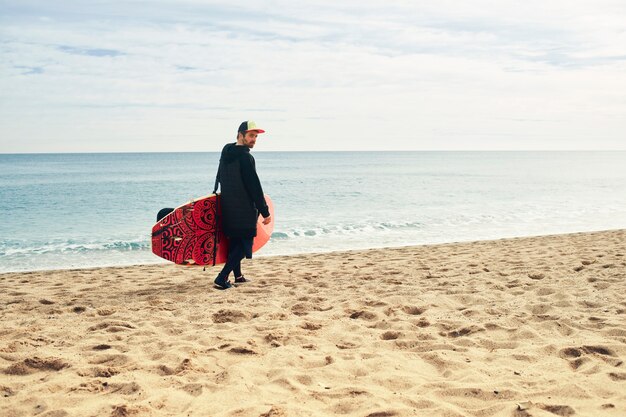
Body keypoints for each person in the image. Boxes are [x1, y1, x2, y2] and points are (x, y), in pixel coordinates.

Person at [213, 120, 271, 289]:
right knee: (245, 244)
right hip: (244, 208)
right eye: (251, 135)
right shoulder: (246, 157)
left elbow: (220, 177)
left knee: (234, 242)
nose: (254, 139)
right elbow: (254, 186)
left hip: (228, 206)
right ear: (240, 135)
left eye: (255, 136)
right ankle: (221, 278)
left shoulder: (226, 152)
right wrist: (265, 211)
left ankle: (238, 276)